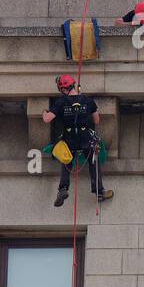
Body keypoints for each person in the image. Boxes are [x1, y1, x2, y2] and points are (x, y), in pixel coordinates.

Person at [42, 75, 113, 207]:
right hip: (86, 137)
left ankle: (63, 189)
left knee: (66, 161)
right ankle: (99, 191)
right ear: (73, 85)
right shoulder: (88, 100)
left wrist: (44, 112)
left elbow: (47, 119)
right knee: (93, 161)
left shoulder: (61, 102)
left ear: (63, 89)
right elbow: (97, 120)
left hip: (69, 138)